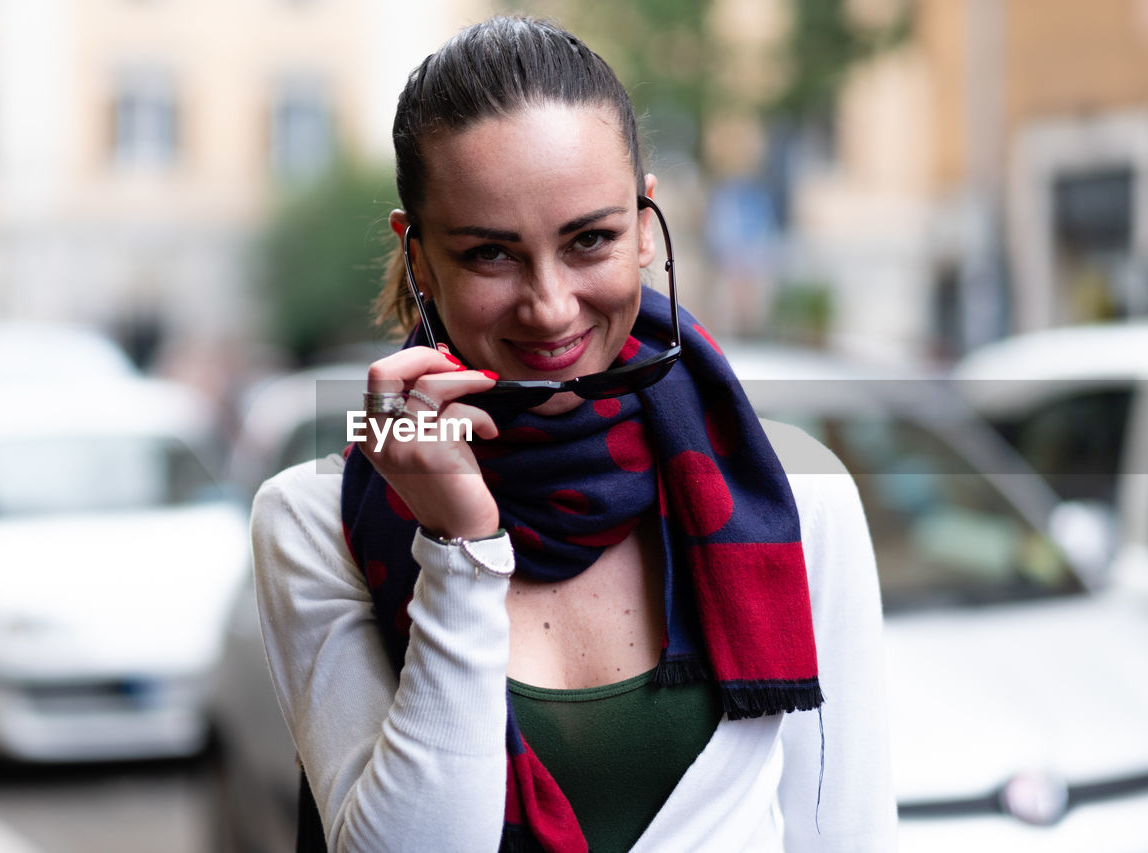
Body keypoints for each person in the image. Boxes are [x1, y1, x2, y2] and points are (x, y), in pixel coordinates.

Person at [252, 15, 896, 852]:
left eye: (590, 239)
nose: (550, 306)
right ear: (418, 257)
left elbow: (841, 833)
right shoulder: (311, 520)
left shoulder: (792, 497)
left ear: (643, 224)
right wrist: (458, 545)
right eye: (491, 254)